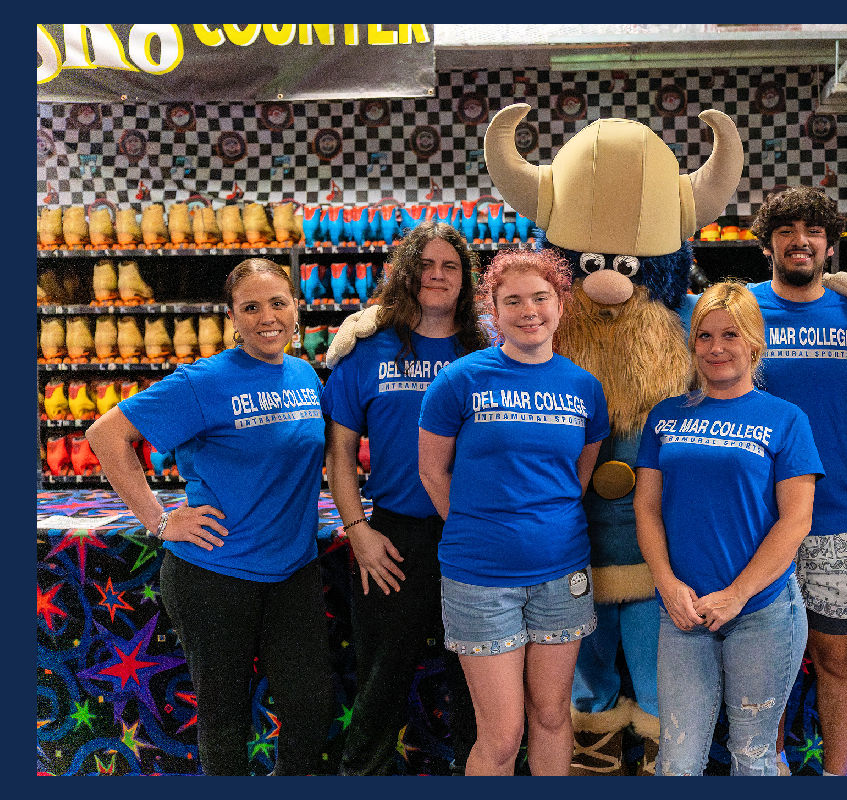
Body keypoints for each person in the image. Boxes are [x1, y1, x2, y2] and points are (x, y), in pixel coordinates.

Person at [85, 258, 333, 775]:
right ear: (233, 318)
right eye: (251, 307)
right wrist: (159, 520)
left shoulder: (306, 374)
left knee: (309, 708)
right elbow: (106, 435)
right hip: (215, 574)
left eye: (278, 303)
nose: (268, 317)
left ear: (295, 308)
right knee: (224, 719)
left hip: (293, 572)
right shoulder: (205, 381)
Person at [416, 248, 610, 775]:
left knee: (551, 717)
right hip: (480, 579)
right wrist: (477, 527)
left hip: (562, 573)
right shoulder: (459, 381)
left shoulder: (583, 388)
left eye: (540, 298)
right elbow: (433, 471)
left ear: (560, 305)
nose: (529, 311)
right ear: (493, 312)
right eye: (513, 301)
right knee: (502, 736)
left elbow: (579, 475)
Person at [633, 281, 824, 776]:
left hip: (761, 612)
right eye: (704, 337)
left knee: (753, 756)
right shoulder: (665, 416)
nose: (716, 348)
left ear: (754, 343)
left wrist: (738, 593)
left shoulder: (786, 419)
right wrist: (667, 585)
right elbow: (647, 509)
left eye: (730, 335)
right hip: (682, 611)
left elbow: (796, 519)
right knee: (676, 762)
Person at [321, 222, 484, 774]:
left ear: (466, 279)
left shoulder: (489, 347)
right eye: (425, 265)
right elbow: (339, 454)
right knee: (380, 684)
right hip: (394, 537)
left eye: (450, 266)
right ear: (404, 273)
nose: (436, 276)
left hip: (475, 537)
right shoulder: (366, 348)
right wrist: (358, 531)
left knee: (481, 688)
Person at [747, 186, 847, 777]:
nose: (799, 240)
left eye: (812, 231)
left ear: (830, 246)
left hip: (837, 516)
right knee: (763, 660)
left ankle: (835, 776)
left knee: (835, 656)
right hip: (755, 518)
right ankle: (770, 766)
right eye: (786, 230)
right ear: (768, 244)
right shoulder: (739, 312)